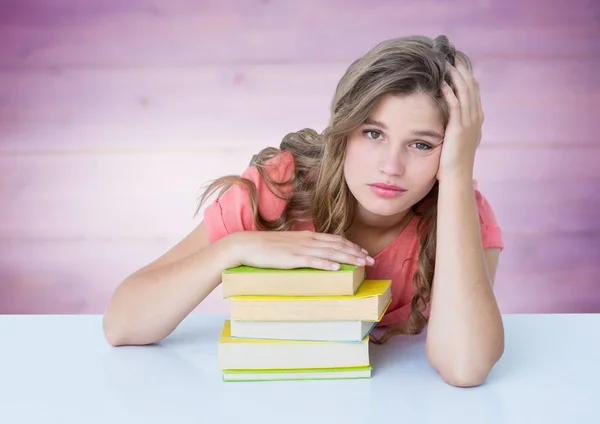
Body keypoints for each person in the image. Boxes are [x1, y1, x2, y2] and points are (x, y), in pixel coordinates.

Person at [102, 35, 505, 387]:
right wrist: (235, 248)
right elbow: (122, 323)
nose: (391, 166)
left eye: (421, 144)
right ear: (343, 130)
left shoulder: (462, 214)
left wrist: (456, 175)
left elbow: (465, 366)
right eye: (373, 133)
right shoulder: (283, 185)